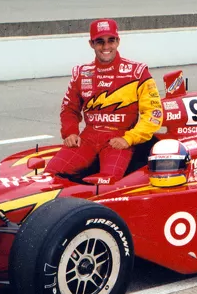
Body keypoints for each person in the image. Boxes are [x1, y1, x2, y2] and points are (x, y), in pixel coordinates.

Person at [44, 19, 163, 183]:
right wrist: (70, 132)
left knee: (107, 181)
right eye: (100, 42)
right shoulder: (81, 73)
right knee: (50, 175)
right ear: (91, 44)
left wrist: (129, 139)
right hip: (88, 137)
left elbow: (153, 114)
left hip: (119, 137)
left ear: (118, 41)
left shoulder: (138, 72)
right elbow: (69, 109)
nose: (106, 47)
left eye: (111, 40)